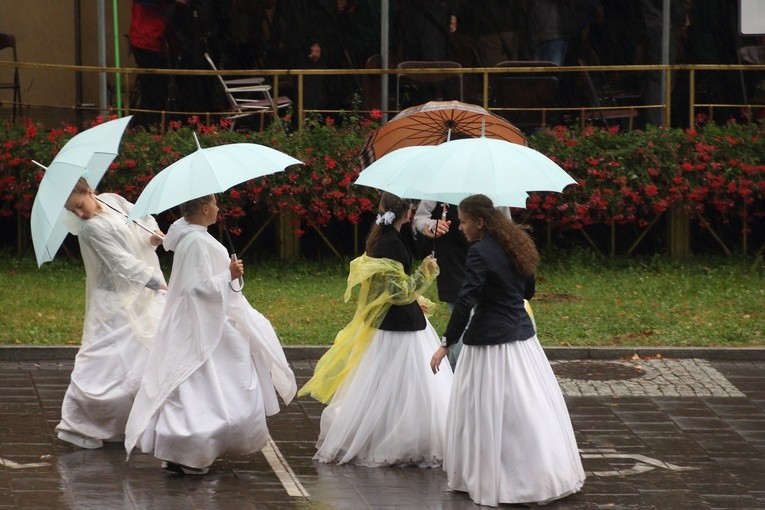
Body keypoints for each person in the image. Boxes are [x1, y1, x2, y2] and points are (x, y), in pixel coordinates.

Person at [430, 194, 585, 507]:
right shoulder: (516, 243)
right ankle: (537, 474)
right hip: (523, 341)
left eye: (463, 221)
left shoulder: (479, 252)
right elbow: (529, 290)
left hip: (489, 344)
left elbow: (466, 301)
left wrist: (446, 343)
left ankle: (494, 477)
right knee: (526, 410)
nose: (460, 228)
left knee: (485, 412)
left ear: (480, 222)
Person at [124, 194, 296, 475]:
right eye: (215, 204)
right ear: (204, 209)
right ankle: (192, 449)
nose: (218, 209)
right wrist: (227, 274)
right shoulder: (197, 242)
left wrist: (229, 275)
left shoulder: (194, 238)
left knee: (193, 386)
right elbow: (197, 289)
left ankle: (183, 450)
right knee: (204, 385)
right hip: (203, 325)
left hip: (200, 320)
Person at [299, 192, 452, 468]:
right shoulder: (390, 242)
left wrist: (416, 296)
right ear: (407, 213)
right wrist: (426, 273)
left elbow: (387, 285)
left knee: (388, 385)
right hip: (398, 328)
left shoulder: (385, 235)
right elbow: (397, 292)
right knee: (402, 385)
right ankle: (394, 438)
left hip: (396, 322)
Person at [55, 177, 167, 450]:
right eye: (73, 211)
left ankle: (124, 420)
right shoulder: (89, 229)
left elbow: (140, 220)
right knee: (101, 359)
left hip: (138, 292)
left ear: (90, 192)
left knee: (139, 358)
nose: (79, 214)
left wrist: (151, 235)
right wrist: (156, 282)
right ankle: (79, 424)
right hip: (113, 297)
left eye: (79, 205)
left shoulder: (114, 200)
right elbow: (120, 261)